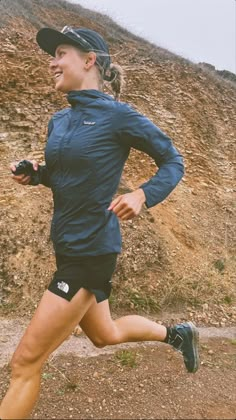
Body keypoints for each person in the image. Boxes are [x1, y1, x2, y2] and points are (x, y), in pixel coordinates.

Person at [0, 25, 199, 420]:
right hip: (68, 245)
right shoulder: (60, 120)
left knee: (24, 364)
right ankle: (178, 334)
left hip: (90, 251)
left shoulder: (118, 117)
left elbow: (173, 161)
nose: (52, 63)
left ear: (90, 61)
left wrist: (142, 194)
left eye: (60, 53)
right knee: (104, 335)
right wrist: (35, 173)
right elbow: (62, 174)